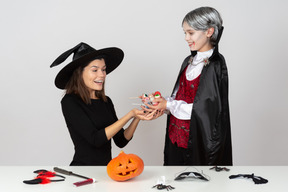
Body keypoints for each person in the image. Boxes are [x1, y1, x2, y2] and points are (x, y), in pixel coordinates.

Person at [145, 7, 232, 165]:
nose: (186, 38)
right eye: (184, 32)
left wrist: (169, 104)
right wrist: (162, 103)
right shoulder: (188, 61)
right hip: (175, 139)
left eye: (190, 33)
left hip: (197, 143)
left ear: (209, 31)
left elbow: (206, 111)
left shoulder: (215, 65)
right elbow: (181, 97)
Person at [50, 42, 157, 166]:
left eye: (103, 69)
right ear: (79, 73)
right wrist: (129, 115)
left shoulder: (106, 101)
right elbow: (95, 139)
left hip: (106, 171)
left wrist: (136, 118)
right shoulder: (70, 102)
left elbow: (121, 140)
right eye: (94, 70)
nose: (102, 75)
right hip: (83, 170)